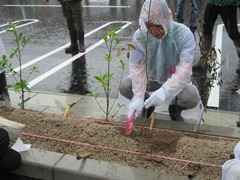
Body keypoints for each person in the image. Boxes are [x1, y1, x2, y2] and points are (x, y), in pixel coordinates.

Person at [119, 0, 200, 121]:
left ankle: (175, 107)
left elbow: (184, 69)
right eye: (149, 26)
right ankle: (146, 104)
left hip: (173, 79)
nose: (154, 31)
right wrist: (138, 97)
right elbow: (137, 68)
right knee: (126, 85)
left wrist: (165, 91)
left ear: (166, 19)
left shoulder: (183, 35)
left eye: (157, 26)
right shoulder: (141, 35)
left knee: (191, 97)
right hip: (150, 80)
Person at [193, 0, 240, 74]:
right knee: (206, 30)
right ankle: (203, 60)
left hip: (228, 4)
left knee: (233, 33)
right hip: (212, 2)